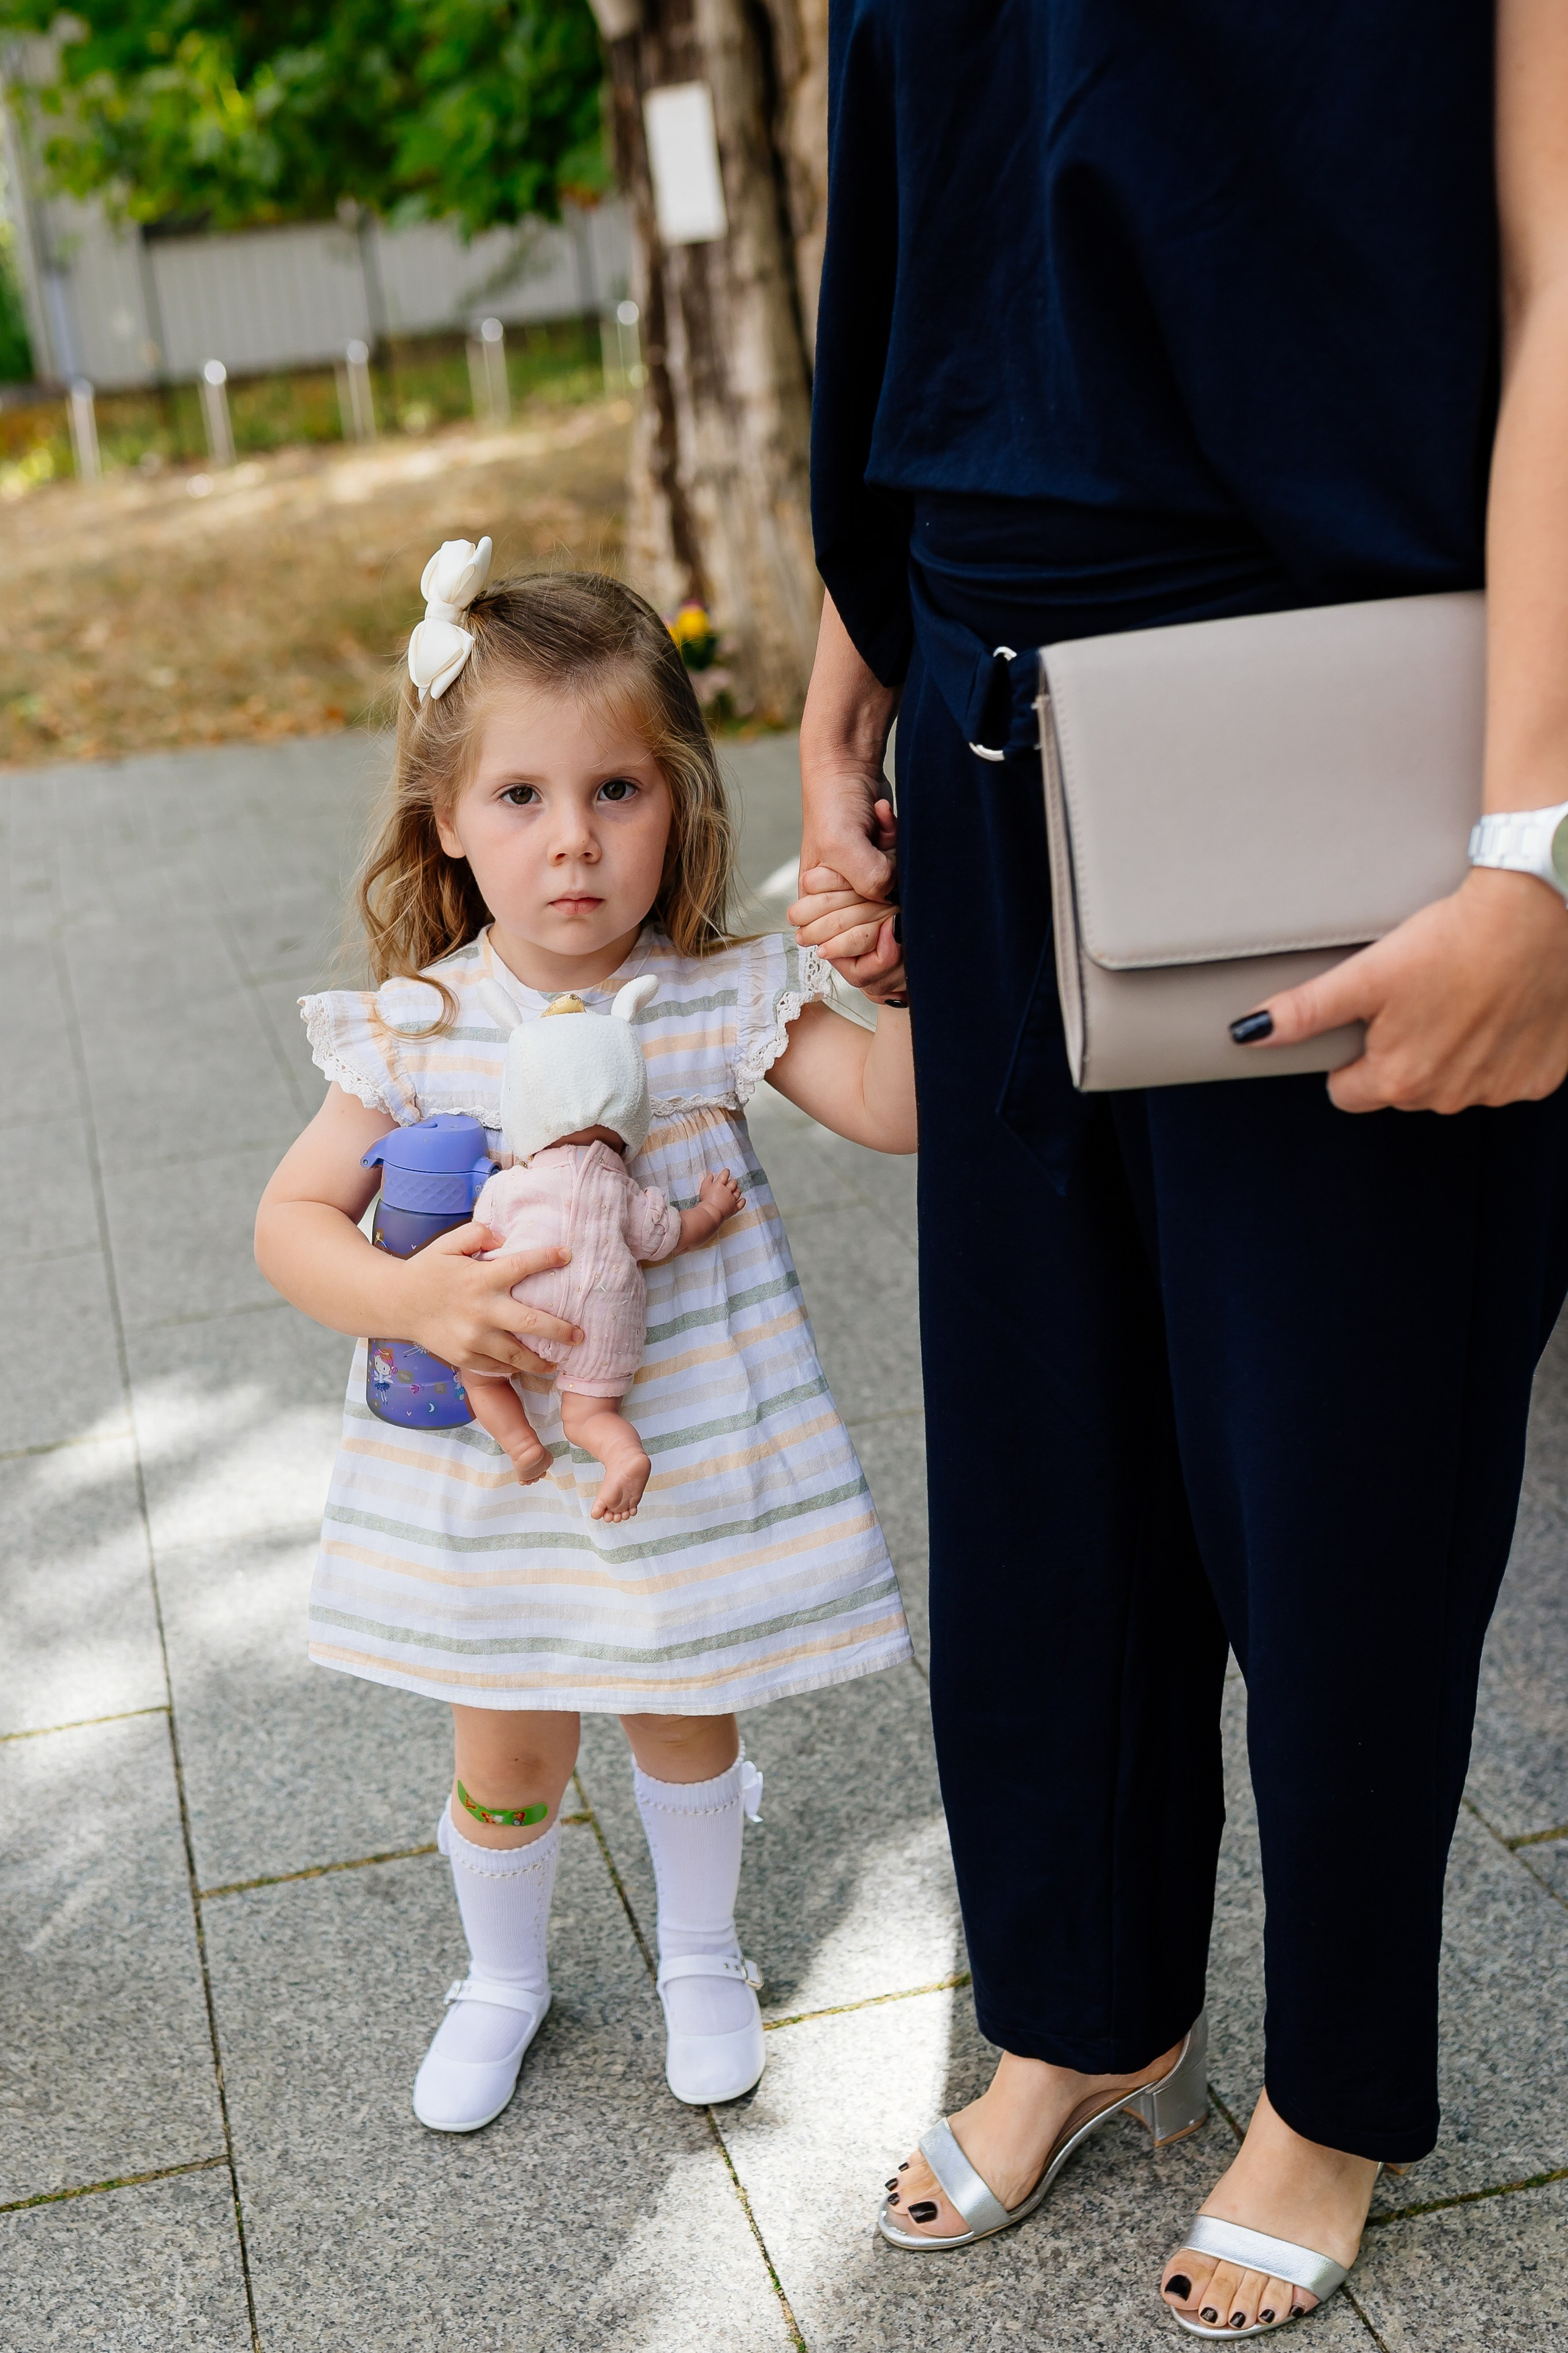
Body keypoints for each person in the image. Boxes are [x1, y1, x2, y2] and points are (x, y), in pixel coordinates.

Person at [790, 0, 1568, 2335]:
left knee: (1339, 1474)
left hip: (1337, 710)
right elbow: (922, 183)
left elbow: (1561, 267)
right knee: (1042, 1444)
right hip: (973, 655)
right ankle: (1089, 2001)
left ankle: (1331, 2093)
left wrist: (1542, 848)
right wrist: (852, 629)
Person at [254, 551, 916, 2137]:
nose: (573, 840)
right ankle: (503, 1973)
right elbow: (289, 1222)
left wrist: (911, 968)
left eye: (617, 788)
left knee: (685, 1699)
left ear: (679, 803)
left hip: (680, 1432)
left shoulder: (716, 997)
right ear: (446, 819)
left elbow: (900, 1112)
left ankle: (704, 1951)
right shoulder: (418, 1027)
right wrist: (411, 1298)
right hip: (498, 1470)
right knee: (510, 1729)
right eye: (524, 796)